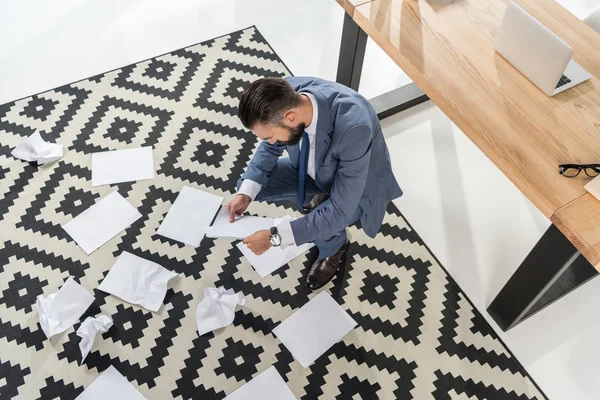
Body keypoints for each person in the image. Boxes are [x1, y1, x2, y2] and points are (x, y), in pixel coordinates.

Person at [226, 76, 402, 290]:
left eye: (271, 136)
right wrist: (246, 194)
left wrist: (275, 237)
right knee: (249, 185)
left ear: (290, 118)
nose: (271, 142)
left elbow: (338, 213)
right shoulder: (286, 93)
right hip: (312, 169)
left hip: (357, 186)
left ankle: (334, 248)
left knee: (328, 222)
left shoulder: (355, 127)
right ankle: (317, 200)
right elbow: (270, 147)